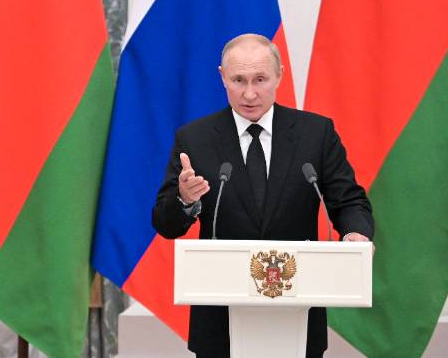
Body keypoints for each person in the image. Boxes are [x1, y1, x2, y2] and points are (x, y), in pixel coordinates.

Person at [152, 33, 373, 358]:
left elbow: (349, 201)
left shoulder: (315, 133)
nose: (250, 93)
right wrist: (185, 199)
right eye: (238, 80)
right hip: (219, 323)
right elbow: (165, 224)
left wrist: (355, 232)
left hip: (298, 313)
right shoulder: (195, 139)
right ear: (222, 77)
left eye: (260, 79)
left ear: (279, 75)